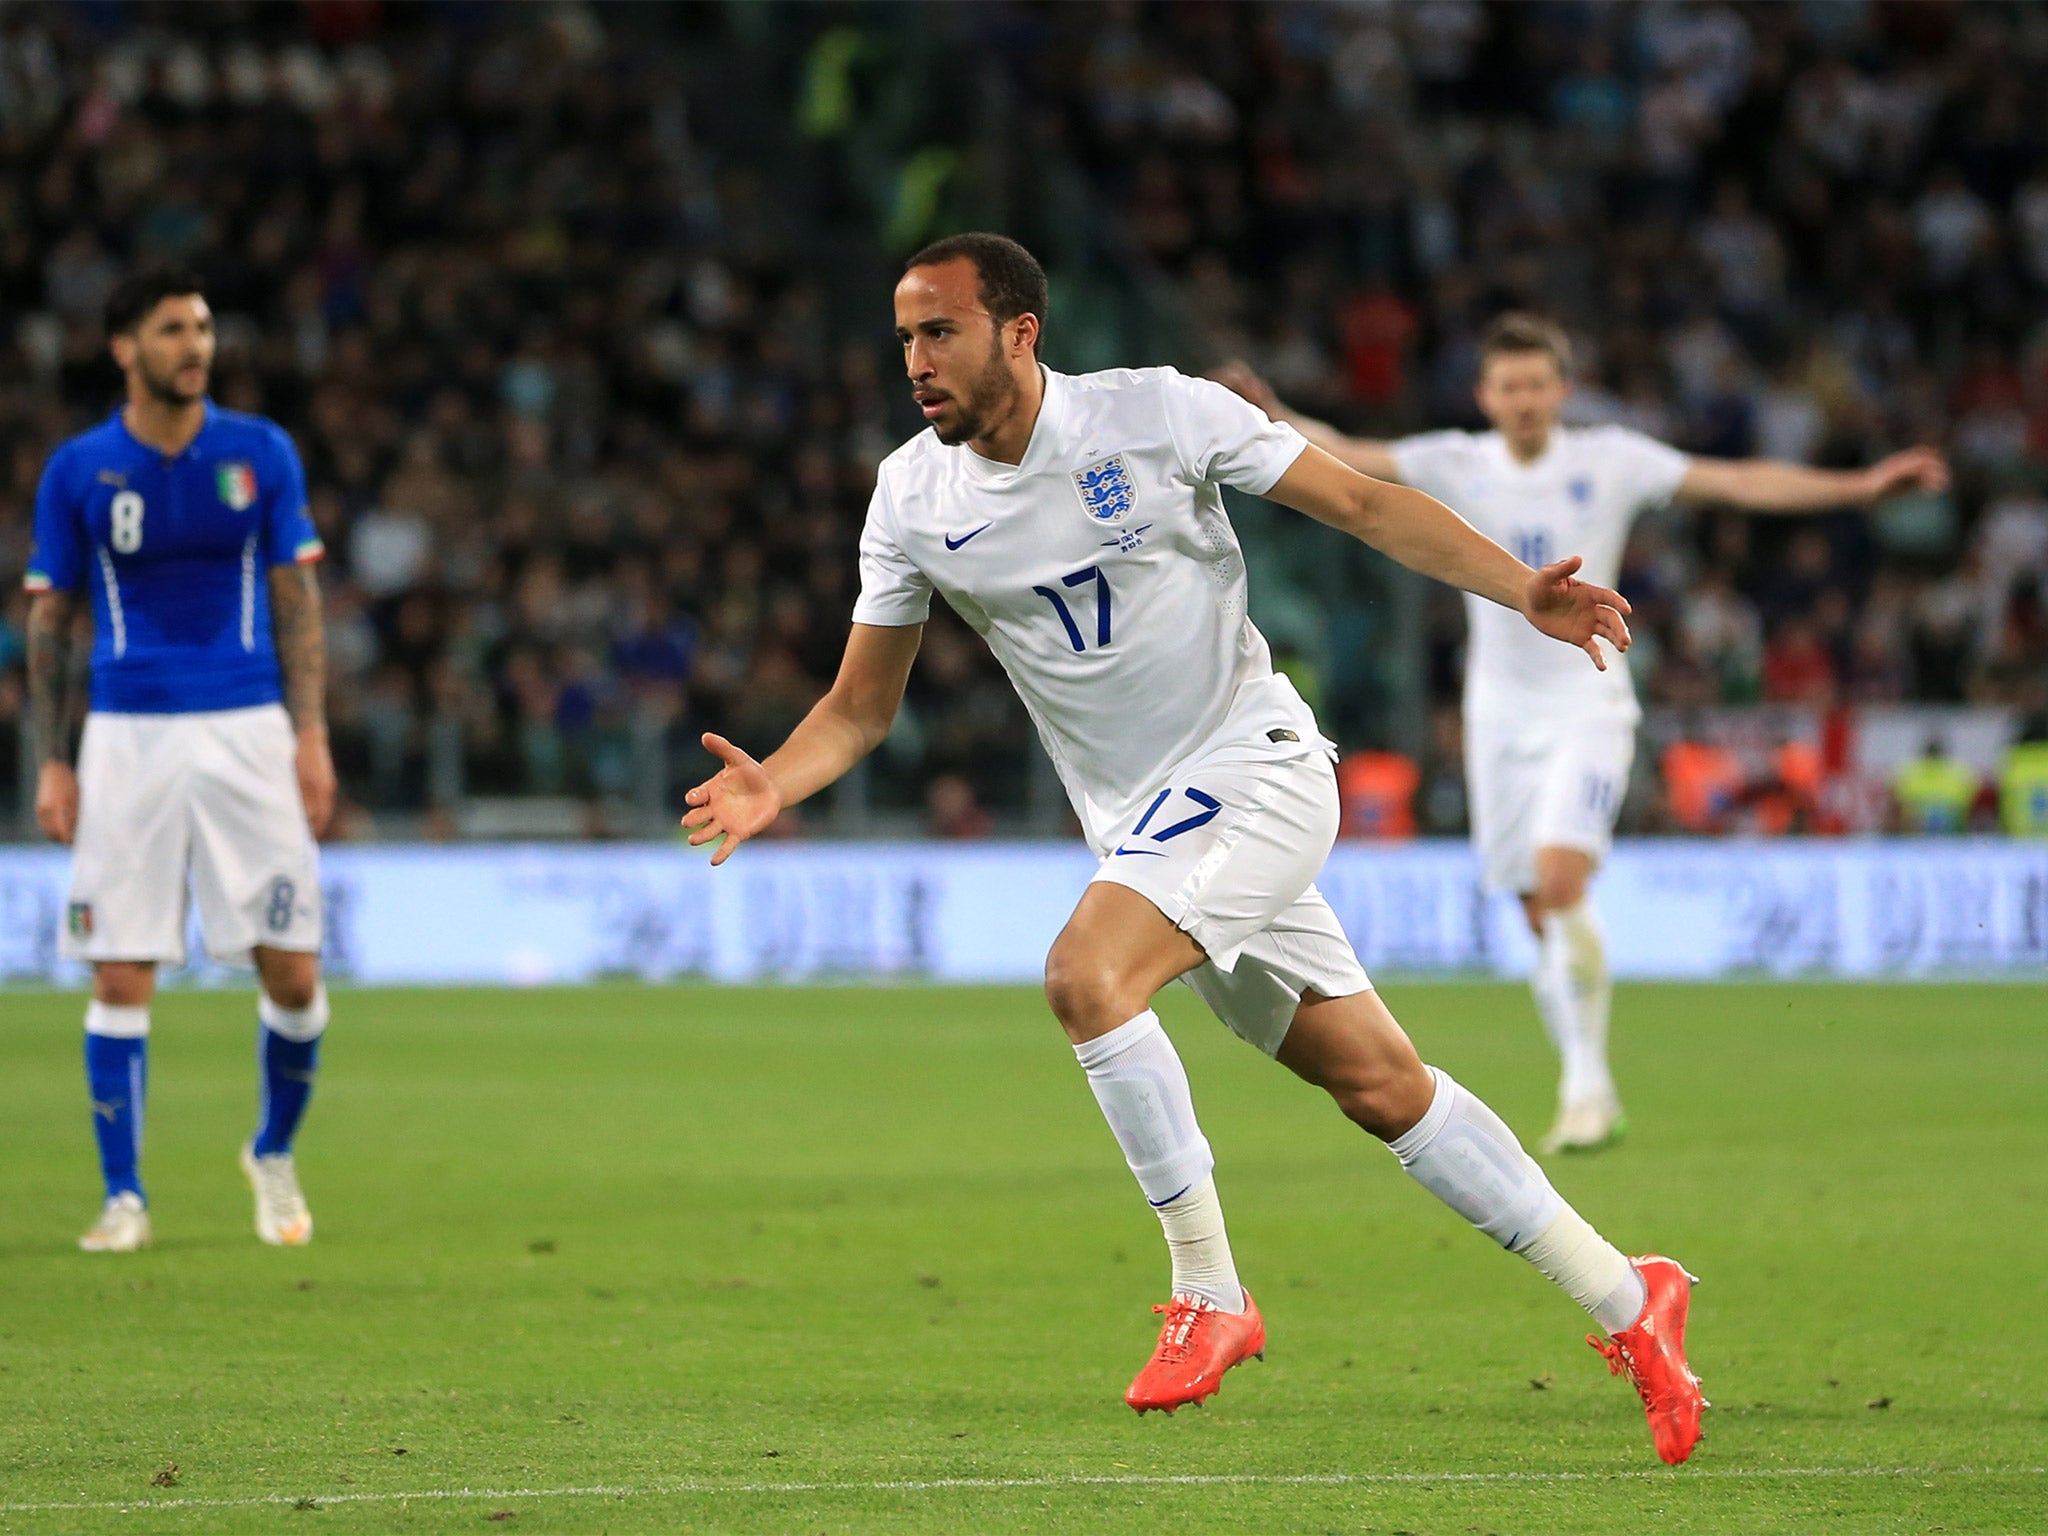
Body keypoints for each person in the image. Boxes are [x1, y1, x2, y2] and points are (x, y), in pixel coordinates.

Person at [684, 234, 1705, 1463]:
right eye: (902, 336)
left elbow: (1364, 503)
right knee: (1379, 1085)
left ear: (1020, 333)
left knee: (1083, 976)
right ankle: (1627, 1294)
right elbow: (859, 707)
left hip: (1252, 769)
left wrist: (1516, 590)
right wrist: (771, 786)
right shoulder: (911, 495)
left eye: (938, 331)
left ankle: (1208, 1291)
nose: (914, 360)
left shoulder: (1160, 414)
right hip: (1146, 829)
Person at [1217, 317, 1948, 1155]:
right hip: (1498, 717)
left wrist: (1860, 489)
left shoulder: (1611, 460)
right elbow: (1352, 455)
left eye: (1539, 384)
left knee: (1561, 882)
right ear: (1486, 396)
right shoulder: (1457, 459)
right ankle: (1587, 1082)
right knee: (1538, 911)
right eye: (1508, 386)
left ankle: (1587, 1092)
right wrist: (1270, 409)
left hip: (1589, 703)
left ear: (1563, 390)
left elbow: (1738, 480)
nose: (1525, 401)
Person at [25, 268, 334, 1253]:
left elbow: (296, 600)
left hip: (249, 727)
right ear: (125, 349)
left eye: (202, 327)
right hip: (125, 732)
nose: (194, 345)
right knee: (120, 976)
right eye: (171, 330)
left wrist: (312, 732)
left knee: (291, 973)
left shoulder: (260, 452)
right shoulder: (78, 470)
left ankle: (272, 1153)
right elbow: (52, 619)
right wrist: (55, 759)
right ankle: (125, 1197)